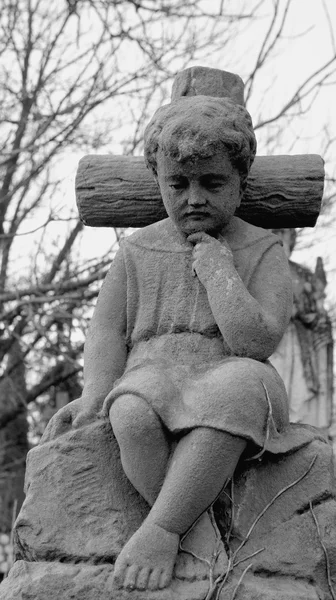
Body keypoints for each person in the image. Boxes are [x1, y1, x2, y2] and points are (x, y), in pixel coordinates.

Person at [77, 95, 293, 591]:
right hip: (154, 371)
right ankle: (195, 534)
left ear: (240, 184)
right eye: (178, 184)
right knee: (128, 411)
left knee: (236, 392)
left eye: (212, 183)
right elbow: (107, 330)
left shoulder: (261, 248)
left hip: (235, 369)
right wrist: (94, 391)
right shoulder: (136, 249)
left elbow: (254, 341)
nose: (194, 197)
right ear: (158, 181)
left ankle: (162, 529)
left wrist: (219, 271)